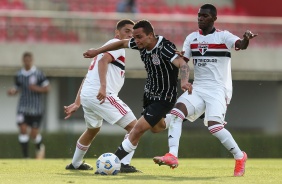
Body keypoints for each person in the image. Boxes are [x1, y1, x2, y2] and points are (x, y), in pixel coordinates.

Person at [153, 4, 258, 177]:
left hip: (218, 89)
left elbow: (241, 44)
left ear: (214, 19)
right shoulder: (191, 38)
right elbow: (183, 62)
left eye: (205, 16)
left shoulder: (223, 36)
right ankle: (172, 155)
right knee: (176, 113)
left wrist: (246, 38)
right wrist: (178, 68)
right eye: (199, 15)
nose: (200, 18)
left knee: (214, 127)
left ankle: (240, 156)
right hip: (198, 87)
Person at [83, 19, 193, 165]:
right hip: (149, 95)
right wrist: (97, 51)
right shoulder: (140, 43)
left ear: (150, 35)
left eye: (139, 37)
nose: (135, 41)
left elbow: (182, 63)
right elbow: (121, 43)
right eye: (134, 37)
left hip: (164, 97)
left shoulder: (165, 47)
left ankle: (113, 163)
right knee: (156, 128)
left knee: (136, 129)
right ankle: (180, 115)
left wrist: (184, 81)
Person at [65, 19, 140, 173]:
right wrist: (103, 88)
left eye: (133, 32)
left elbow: (87, 77)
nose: (130, 35)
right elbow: (104, 61)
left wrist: (77, 102)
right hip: (101, 95)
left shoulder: (107, 47)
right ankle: (124, 163)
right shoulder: (116, 45)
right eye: (127, 31)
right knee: (135, 127)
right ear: (117, 32)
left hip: (88, 95)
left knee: (92, 130)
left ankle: (75, 164)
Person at [7, 52, 50, 159]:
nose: (27, 62)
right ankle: (26, 157)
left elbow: (47, 88)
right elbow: (16, 87)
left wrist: (36, 88)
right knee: (23, 129)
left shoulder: (39, 74)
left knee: (34, 134)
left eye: (29, 60)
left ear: (32, 60)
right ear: (23, 61)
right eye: (25, 60)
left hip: (36, 109)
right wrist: (12, 91)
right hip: (22, 107)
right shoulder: (19, 75)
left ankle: (40, 147)